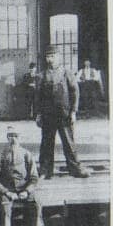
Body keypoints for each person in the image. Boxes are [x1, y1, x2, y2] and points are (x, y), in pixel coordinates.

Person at [35, 45, 91, 179]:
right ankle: (45, 171)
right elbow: (37, 97)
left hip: (64, 115)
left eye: (53, 56)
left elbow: (75, 93)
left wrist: (73, 112)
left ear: (58, 57)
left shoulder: (67, 73)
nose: (50, 59)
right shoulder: (41, 75)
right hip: (48, 116)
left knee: (69, 143)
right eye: (48, 56)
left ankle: (76, 169)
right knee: (46, 144)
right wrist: (38, 114)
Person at [0, 126, 47, 226]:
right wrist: (6, 192)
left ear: (20, 138)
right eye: (10, 136)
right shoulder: (0, 156)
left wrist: (27, 191)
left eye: (16, 136)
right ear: (7, 138)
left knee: (37, 204)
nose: (13, 139)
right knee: (5, 211)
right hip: (8, 191)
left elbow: (34, 178)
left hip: (24, 189)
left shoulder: (27, 155)